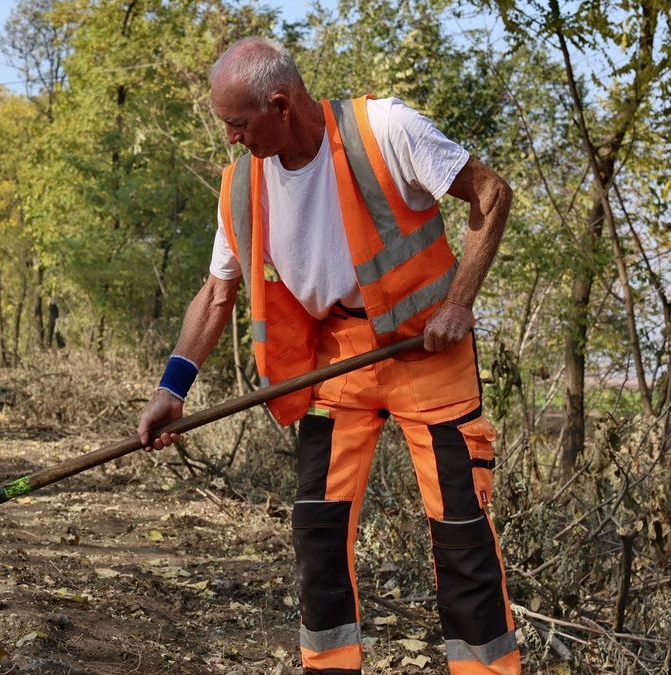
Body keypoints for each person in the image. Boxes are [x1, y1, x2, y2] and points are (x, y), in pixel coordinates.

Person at [136, 37, 519, 674]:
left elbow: (492, 193)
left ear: (280, 105)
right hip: (333, 361)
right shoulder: (240, 188)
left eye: (237, 123)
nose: (230, 138)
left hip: (429, 352)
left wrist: (459, 301)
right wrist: (171, 390)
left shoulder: (385, 131)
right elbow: (216, 292)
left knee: (461, 535)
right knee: (318, 535)